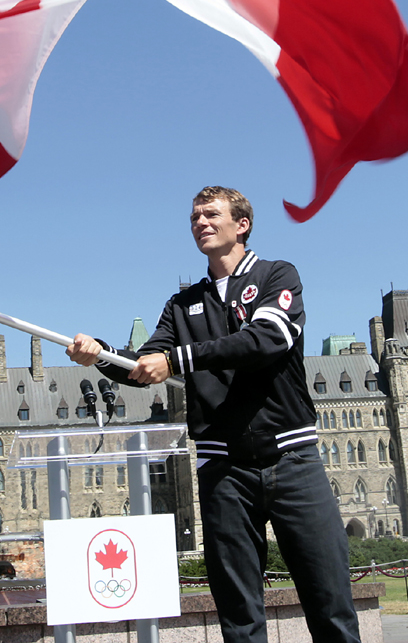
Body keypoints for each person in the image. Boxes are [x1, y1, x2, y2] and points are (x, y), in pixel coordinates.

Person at [67, 186, 360, 643]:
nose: (200, 222)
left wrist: (177, 361)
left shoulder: (276, 275)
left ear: (241, 224)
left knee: (331, 603)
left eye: (210, 214)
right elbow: (146, 366)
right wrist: (102, 354)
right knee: (239, 617)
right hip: (224, 471)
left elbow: (265, 341)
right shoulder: (181, 306)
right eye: (194, 217)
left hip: (293, 461)